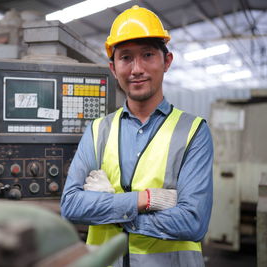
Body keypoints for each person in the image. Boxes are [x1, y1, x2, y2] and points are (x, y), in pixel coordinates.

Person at [60, 5, 213, 267]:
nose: (137, 68)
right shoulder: (98, 131)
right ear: (113, 68)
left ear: (167, 62)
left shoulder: (193, 132)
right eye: (126, 58)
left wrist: (115, 210)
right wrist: (145, 200)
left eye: (148, 55)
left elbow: (193, 222)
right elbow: (71, 206)